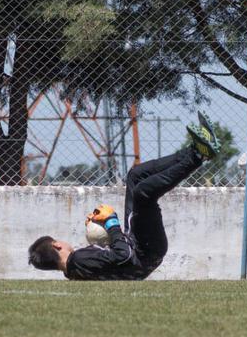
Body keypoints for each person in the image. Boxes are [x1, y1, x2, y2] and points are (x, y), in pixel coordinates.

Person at [28, 113, 220, 280]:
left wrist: (102, 237)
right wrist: (111, 223)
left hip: (139, 250)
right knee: (143, 192)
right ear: (57, 246)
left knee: (135, 176)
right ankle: (197, 156)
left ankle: (195, 149)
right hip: (143, 252)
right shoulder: (77, 260)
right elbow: (123, 255)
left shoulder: (75, 269)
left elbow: (111, 260)